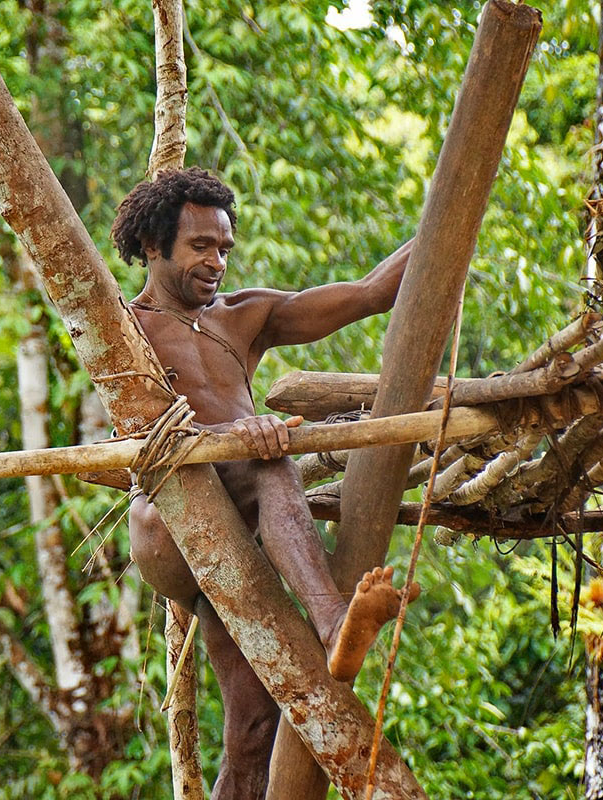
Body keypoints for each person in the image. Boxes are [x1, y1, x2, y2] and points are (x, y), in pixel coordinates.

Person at [112, 167, 418, 800]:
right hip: (168, 530)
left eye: (225, 247)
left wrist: (460, 207)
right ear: (152, 246)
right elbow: (114, 459)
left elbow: (370, 293)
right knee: (270, 456)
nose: (216, 261)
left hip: (246, 543)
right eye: (200, 246)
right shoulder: (120, 329)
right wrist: (229, 442)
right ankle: (333, 618)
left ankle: (332, 628)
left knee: (254, 732)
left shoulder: (245, 317)